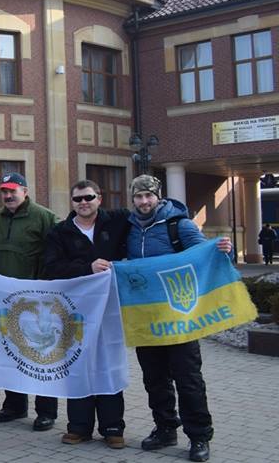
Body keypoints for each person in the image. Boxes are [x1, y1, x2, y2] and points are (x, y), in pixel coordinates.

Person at [126, 175, 232, 463]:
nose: (144, 202)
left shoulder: (179, 225)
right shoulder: (130, 228)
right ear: (132, 199)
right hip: (147, 317)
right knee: (155, 378)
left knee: (188, 379)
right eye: (139, 197)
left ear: (158, 197)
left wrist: (222, 250)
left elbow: (203, 253)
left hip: (179, 315)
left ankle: (199, 436)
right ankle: (165, 428)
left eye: (149, 196)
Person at [42, 180, 129, 449]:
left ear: (99, 198)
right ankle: (78, 427)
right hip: (75, 312)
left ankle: (112, 427)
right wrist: (86, 268)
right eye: (78, 199)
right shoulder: (60, 233)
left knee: (108, 365)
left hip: (110, 310)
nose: (83, 203)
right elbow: (52, 268)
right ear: (72, 202)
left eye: (89, 197)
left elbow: (149, 211)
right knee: (78, 367)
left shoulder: (117, 223)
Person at [0, 172, 60, 431]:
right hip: (5, 299)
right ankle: (15, 405)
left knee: (40, 355)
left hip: (38, 300)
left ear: (25, 191)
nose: (8, 196)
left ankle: (46, 411)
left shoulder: (43, 216)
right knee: (12, 353)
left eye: (13, 191)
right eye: (4, 192)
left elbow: (61, 244)